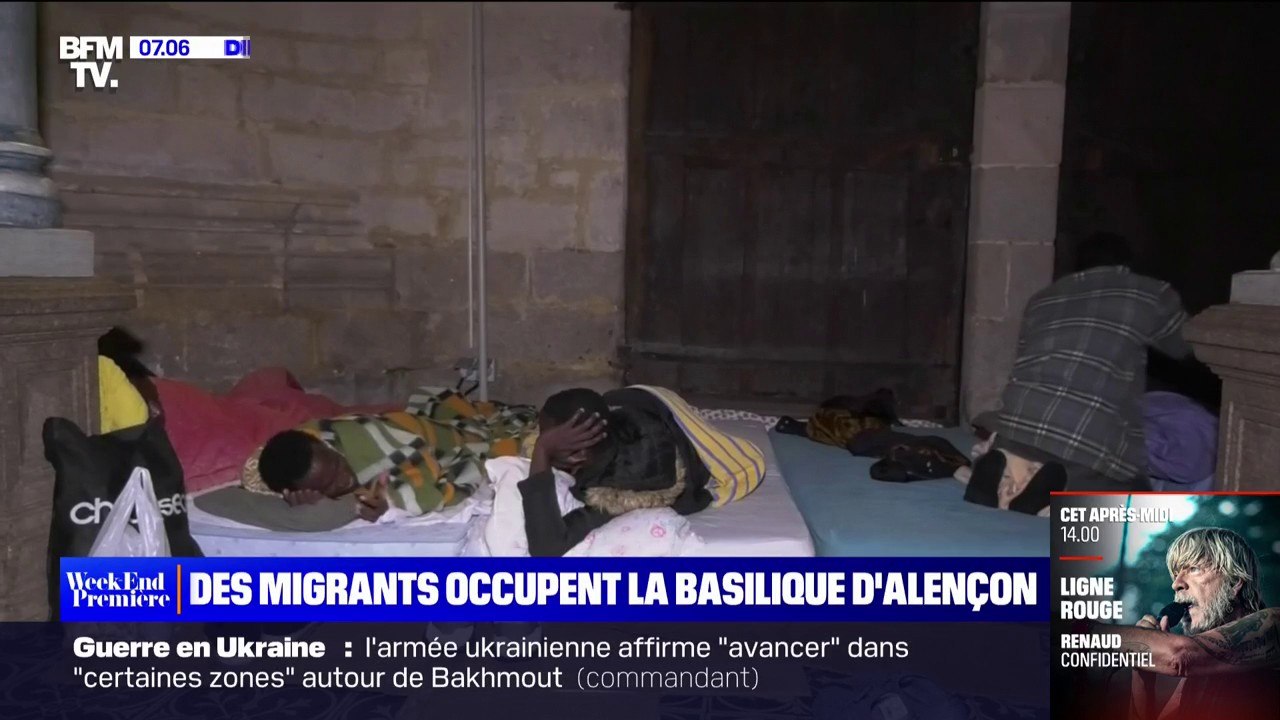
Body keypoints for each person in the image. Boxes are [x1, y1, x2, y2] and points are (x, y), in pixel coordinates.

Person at [975, 232, 1195, 495]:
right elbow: (1189, 349)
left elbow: (1023, 362)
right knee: (1137, 502)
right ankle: (1054, 490)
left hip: (1015, 429)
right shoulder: (1151, 292)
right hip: (1086, 444)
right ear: (1125, 263)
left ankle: (1014, 476)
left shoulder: (1043, 298)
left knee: (1024, 461)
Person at [517, 386, 765, 556]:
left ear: (578, 455)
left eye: (547, 436)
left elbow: (546, 549)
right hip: (637, 403)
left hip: (660, 415)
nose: (540, 439)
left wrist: (542, 451)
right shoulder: (597, 445)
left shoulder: (628, 485)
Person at [257, 387, 536, 522]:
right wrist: (308, 503)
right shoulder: (285, 470)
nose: (343, 479)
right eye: (328, 484)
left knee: (484, 440)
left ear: (325, 446)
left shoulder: (340, 437)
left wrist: (391, 503)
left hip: (426, 434)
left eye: (337, 466)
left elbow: (418, 471)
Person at [1084, 528, 1279, 720]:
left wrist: (1083, 630)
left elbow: (1180, 656)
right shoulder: (1199, 671)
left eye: (1193, 569)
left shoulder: (1274, 624)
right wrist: (1142, 673)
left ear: (1234, 581)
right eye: (1175, 574)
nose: (1176, 583)